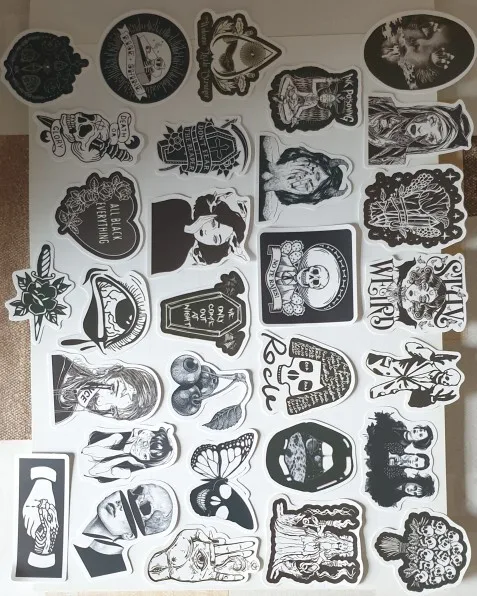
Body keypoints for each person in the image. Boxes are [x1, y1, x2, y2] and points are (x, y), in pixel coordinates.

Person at [75, 483, 175, 578]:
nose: (122, 504)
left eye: (144, 508)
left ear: (131, 535)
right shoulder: (75, 513)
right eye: (136, 491)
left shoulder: (107, 571)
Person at [151, 191, 248, 273]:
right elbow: (151, 219)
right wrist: (187, 228)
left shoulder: (177, 262)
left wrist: (189, 229)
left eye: (215, 238)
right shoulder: (181, 205)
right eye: (213, 224)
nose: (208, 232)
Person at [259, 135, 350, 221]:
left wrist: (272, 185)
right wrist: (275, 168)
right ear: (305, 158)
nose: (300, 177)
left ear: (303, 195)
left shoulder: (268, 214)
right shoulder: (268, 142)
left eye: (307, 185)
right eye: (309, 168)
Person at [52, 354, 159, 424]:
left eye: (112, 410)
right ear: (110, 372)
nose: (129, 389)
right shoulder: (57, 363)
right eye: (112, 389)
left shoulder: (62, 415)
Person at [368, 96, 472, 165]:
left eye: (432, 138)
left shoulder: (393, 158)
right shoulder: (383, 102)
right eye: (432, 121)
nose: (422, 131)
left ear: (431, 147)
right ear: (427, 111)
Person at [366, 341, 463, 408]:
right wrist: (430, 355)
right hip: (381, 363)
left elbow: (413, 403)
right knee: (366, 361)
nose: (444, 381)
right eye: (447, 378)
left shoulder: (428, 389)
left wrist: (433, 399)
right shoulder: (428, 361)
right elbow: (409, 346)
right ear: (445, 372)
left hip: (378, 392)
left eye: (447, 383)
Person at [82, 427, 176, 482]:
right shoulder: (118, 437)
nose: (140, 450)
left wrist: (125, 457)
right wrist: (123, 453)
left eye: (145, 455)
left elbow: (92, 471)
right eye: (145, 443)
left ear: (145, 461)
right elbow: (86, 450)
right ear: (146, 433)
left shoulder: (126, 472)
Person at [366, 469, 435, 507]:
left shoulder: (396, 498)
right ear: (416, 482)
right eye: (415, 488)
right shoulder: (399, 474)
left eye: (414, 493)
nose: (411, 491)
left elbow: (382, 502)